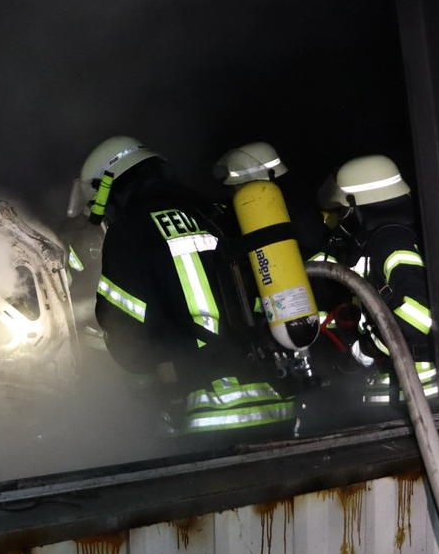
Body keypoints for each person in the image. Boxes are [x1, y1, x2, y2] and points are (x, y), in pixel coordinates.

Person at [67, 136, 298, 440]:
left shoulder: (130, 230)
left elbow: (129, 343)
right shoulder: (215, 210)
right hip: (279, 404)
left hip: (207, 418)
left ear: (106, 189)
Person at [317, 154, 439, 408]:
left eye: (341, 212)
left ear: (357, 207)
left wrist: (366, 350)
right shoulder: (388, 240)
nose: (339, 222)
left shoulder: (390, 242)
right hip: (402, 391)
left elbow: (421, 310)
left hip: (412, 394)